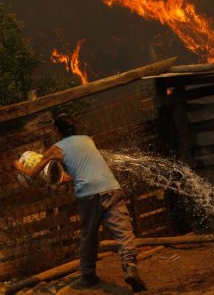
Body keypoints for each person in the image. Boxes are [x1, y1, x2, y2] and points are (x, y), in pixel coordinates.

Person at [15, 113, 146, 292]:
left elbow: (32, 174)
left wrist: (17, 166)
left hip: (88, 196)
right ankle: (129, 265)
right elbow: (83, 171)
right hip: (110, 188)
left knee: (88, 236)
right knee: (123, 231)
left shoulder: (55, 149)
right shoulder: (88, 140)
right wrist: (60, 178)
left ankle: (88, 276)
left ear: (56, 131)